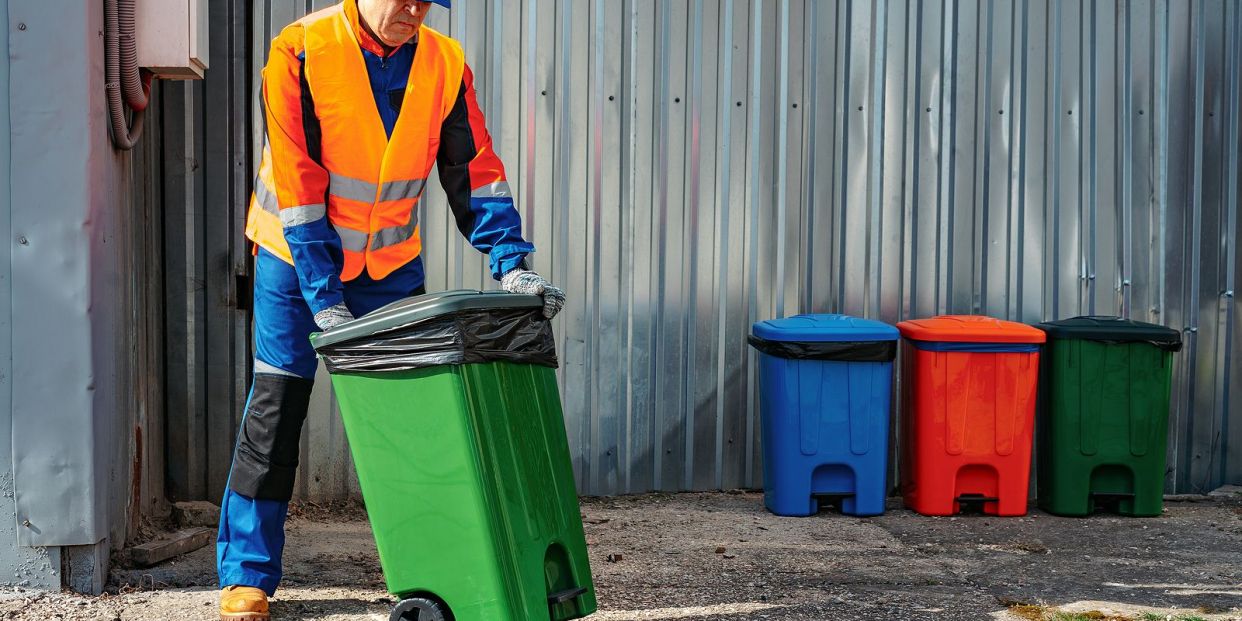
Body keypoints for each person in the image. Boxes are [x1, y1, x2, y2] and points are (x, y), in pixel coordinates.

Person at [217, 1, 563, 619]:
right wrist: (323, 297)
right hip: (294, 264)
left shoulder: (444, 62)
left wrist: (511, 261)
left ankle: (434, 572)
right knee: (276, 409)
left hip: (388, 265)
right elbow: (298, 185)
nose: (414, 9)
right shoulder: (298, 50)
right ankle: (246, 575)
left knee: (415, 425)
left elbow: (474, 171)